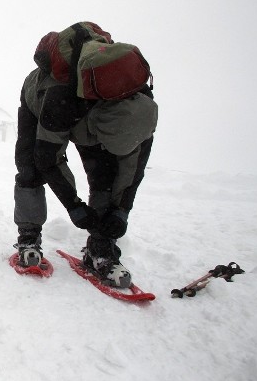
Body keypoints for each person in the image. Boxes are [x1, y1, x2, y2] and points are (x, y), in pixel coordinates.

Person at [13, 26, 158, 288]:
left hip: (89, 115)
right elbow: (49, 159)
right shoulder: (61, 100)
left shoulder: (140, 114)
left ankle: (101, 251)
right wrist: (74, 205)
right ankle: (28, 238)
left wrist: (121, 211)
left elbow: (131, 173)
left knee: (106, 177)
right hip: (40, 105)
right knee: (30, 170)